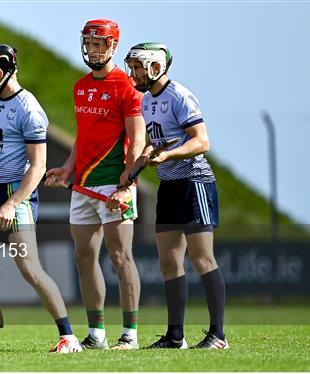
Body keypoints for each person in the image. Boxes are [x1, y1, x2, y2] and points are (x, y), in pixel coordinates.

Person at [0, 44, 82, 353]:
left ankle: (68, 337)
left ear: (2, 72)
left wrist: (12, 204)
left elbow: (37, 166)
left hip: (16, 194)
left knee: (29, 268)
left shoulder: (29, 109)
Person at [45, 19, 146, 350]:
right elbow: (83, 138)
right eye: (88, 43)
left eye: (99, 44)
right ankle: (97, 334)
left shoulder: (126, 86)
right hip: (83, 186)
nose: (92, 49)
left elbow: (137, 137)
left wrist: (128, 183)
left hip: (113, 187)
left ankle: (130, 334)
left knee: (120, 256)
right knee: (84, 256)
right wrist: (67, 168)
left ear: (113, 46)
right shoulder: (80, 86)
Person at [123, 42, 228, 349]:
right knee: (169, 261)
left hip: (194, 182)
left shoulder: (179, 96)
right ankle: (175, 336)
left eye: (138, 67)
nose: (133, 72)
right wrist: (137, 165)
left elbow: (201, 142)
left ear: (156, 67)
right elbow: (157, 143)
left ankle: (218, 336)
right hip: (168, 186)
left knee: (201, 258)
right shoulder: (145, 101)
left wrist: (168, 157)